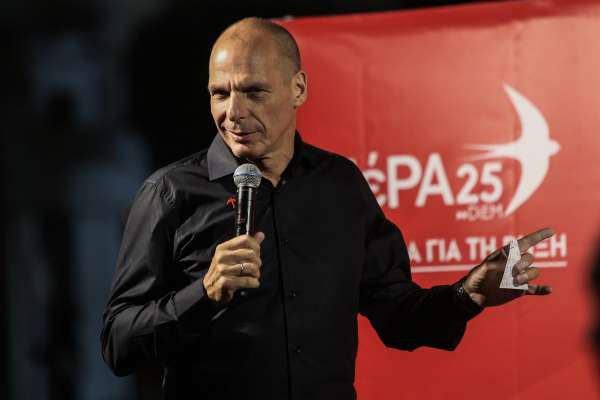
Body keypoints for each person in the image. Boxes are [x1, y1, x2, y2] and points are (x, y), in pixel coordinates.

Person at [101, 17, 553, 400]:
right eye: (220, 93)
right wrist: (204, 294)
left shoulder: (341, 185)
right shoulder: (169, 193)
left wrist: (465, 296)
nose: (233, 112)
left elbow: (397, 315)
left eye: (254, 91)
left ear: (297, 88)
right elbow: (118, 343)